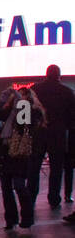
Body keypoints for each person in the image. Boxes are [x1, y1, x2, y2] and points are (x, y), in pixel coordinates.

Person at [0, 86, 48, 230]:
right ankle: (11, 219)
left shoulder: (31, 111)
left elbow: (24, 125)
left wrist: (19, 104)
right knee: (6, 187)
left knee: (19, 185)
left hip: (19, 152)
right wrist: (2, 101)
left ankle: (27, 217)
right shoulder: (10, 110)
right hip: (6, 150)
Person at [32, 64, 75, 208]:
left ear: (46, 74)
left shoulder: (35, 90)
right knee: (56, 168)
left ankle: (31, 196)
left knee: (34, 166)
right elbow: (72, 117)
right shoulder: (67, 92)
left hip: (38, 132)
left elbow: (25, 112)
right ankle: (54, 197)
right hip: (58, 134)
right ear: (59, 75)